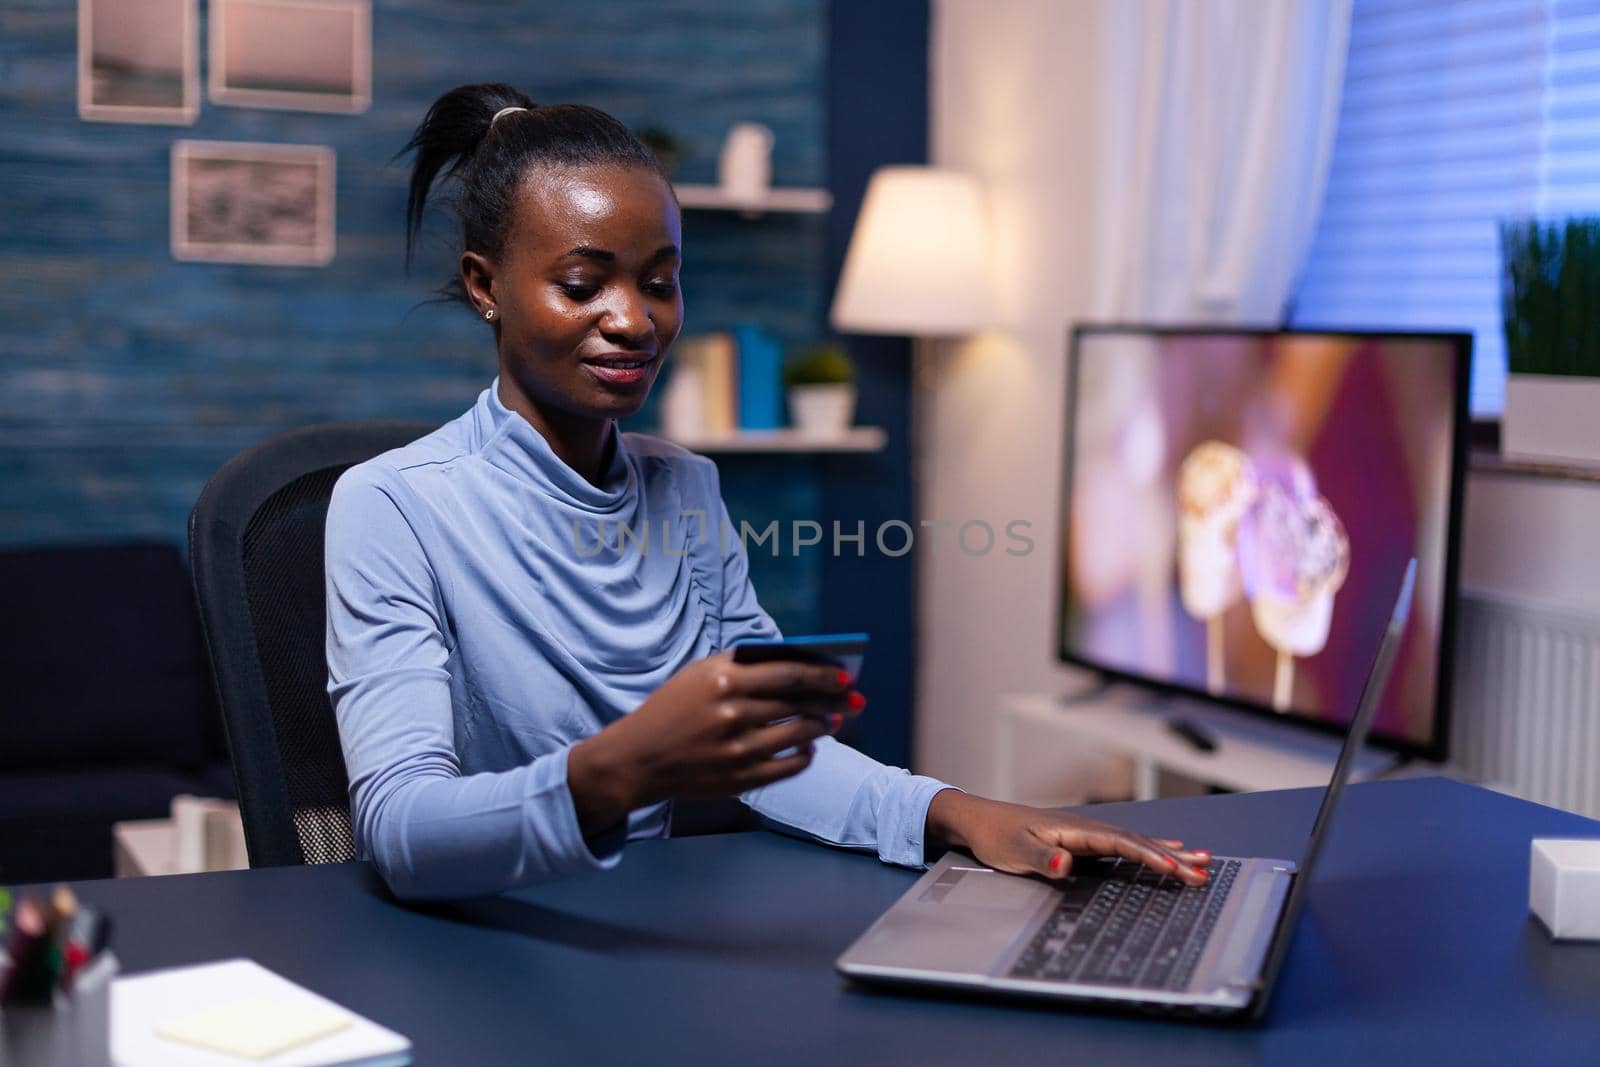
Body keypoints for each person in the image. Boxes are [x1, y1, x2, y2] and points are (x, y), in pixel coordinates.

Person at [325, 83, 1212, 901]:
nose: (634, 318)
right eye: (582, 283)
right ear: (487, 286)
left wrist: (963, 815)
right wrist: (626, 765)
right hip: (489, 941)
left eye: (660, 281)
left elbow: (777, 756)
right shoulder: (394, 507)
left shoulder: (686, 487)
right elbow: (401, 830)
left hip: (653, 927)